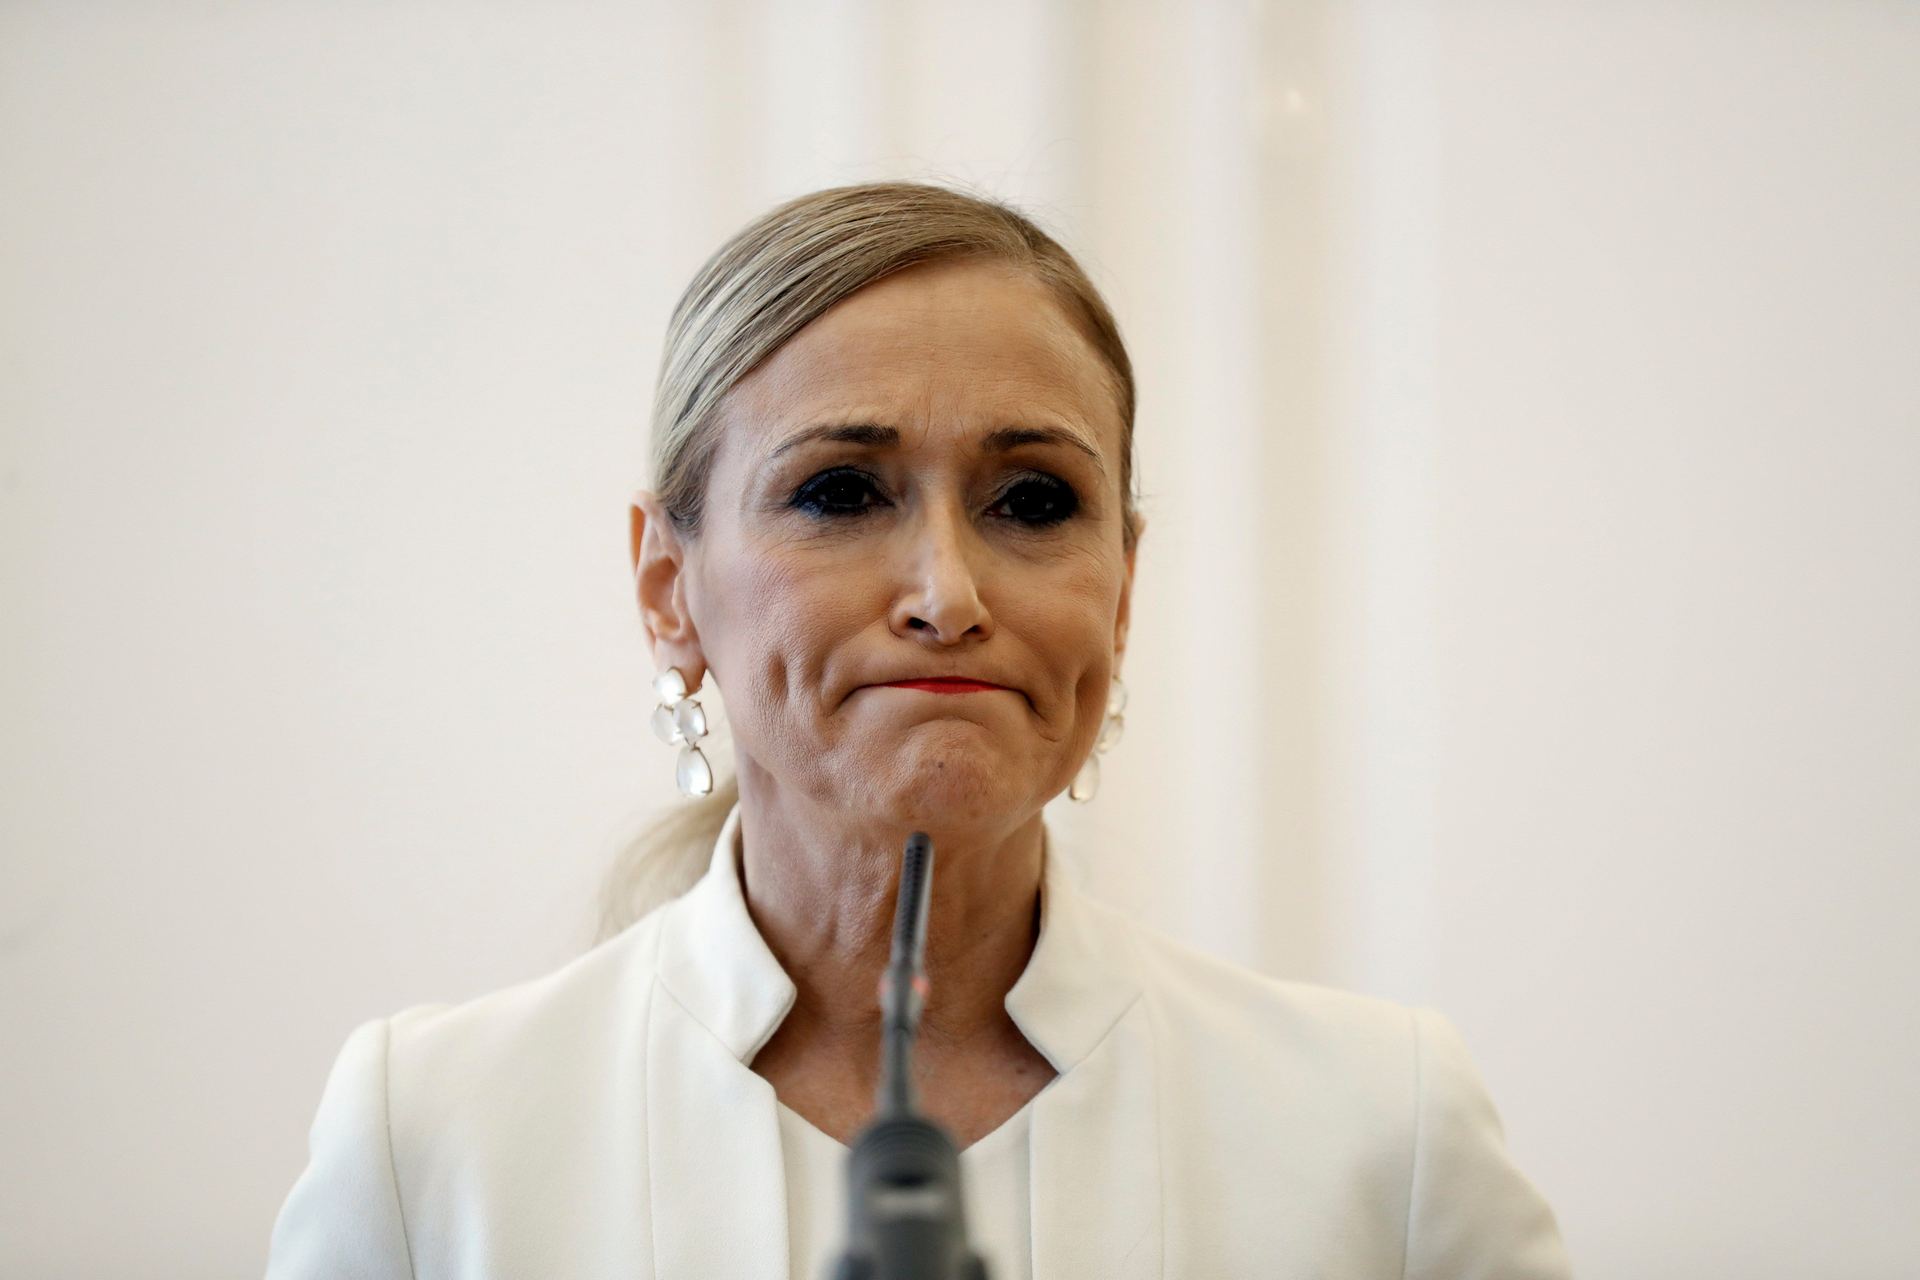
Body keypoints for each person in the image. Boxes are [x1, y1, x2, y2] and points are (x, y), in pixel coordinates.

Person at [265, 181, 1572, 1279]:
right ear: (670, 588)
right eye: (839, 491)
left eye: (1033, 500)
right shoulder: (430, 1135)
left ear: (1122, 590)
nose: (950, 593)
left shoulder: (1380, 1132)